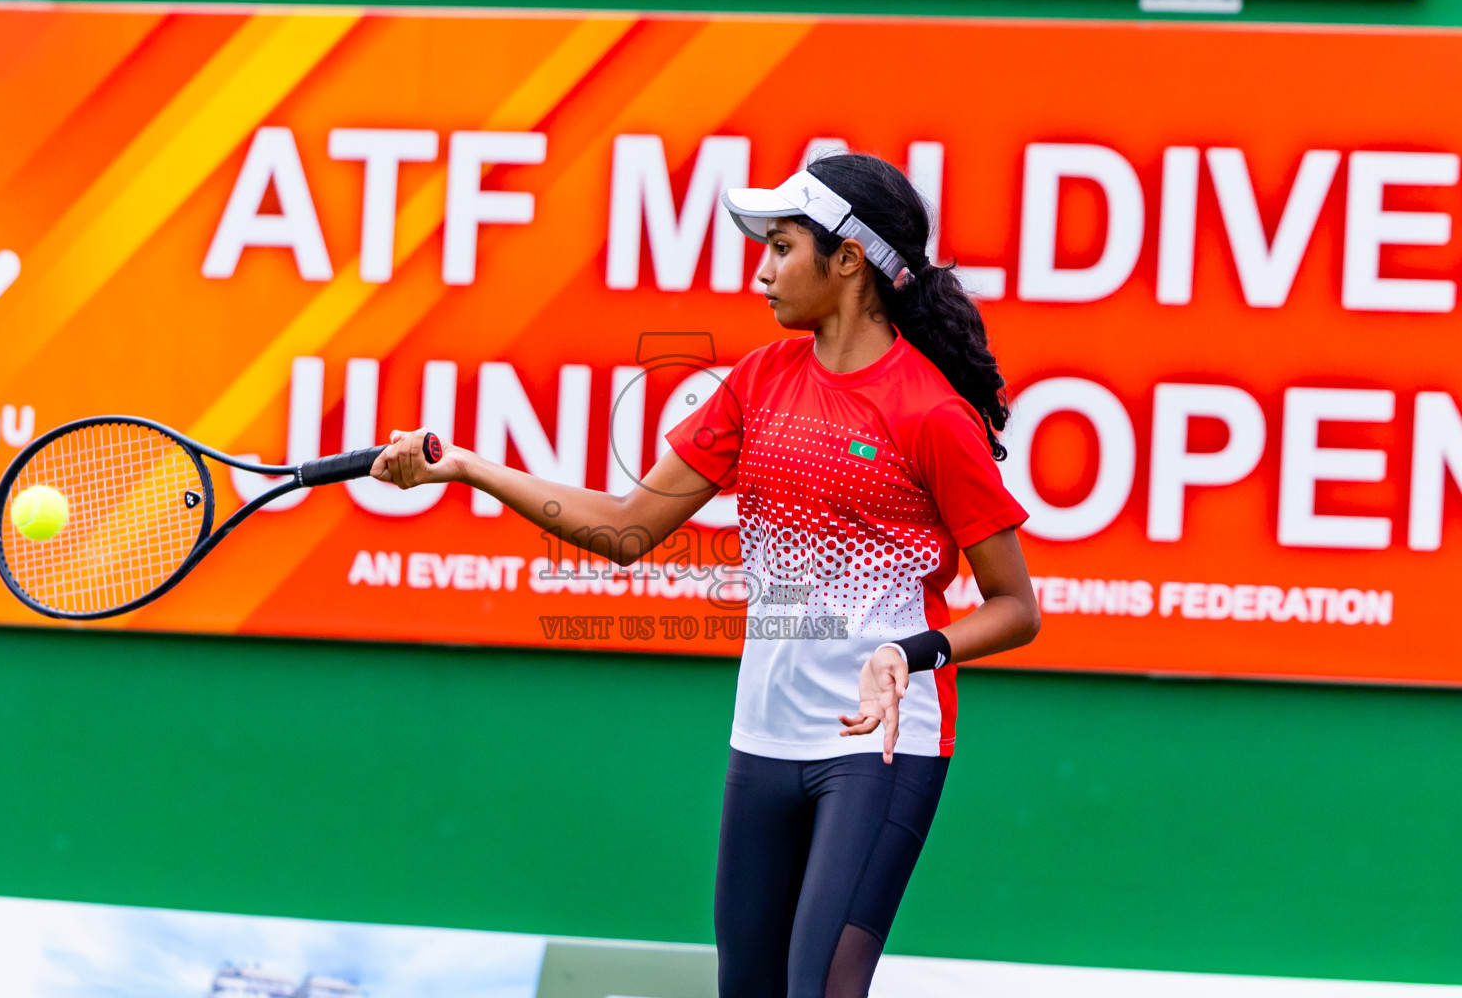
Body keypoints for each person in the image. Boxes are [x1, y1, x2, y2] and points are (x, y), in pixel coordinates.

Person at [372, 152, 1041, 998]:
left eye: (782, 246)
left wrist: (913, 653)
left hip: (880, 746)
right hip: (762, 739)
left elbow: (1016, 608)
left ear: (848, 261)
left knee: (818, 991)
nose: (761, 270)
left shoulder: (930, 414)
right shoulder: (758, 383)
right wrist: (466, 468)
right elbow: (624, 529)